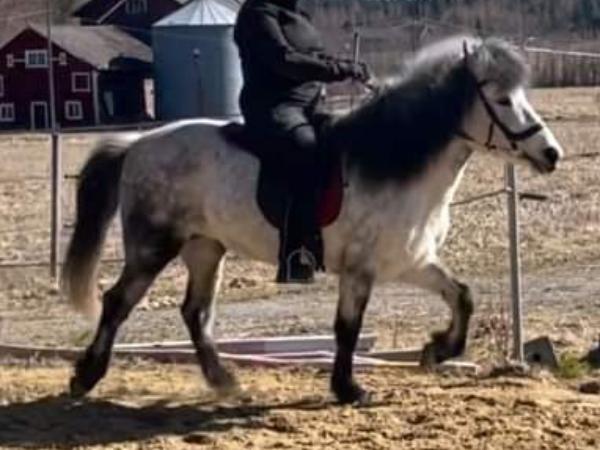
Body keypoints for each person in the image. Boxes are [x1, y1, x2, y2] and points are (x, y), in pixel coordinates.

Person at [234, 0, 371, 283]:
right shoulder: (258, 13)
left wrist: (348, 66)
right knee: (304, 148)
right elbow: (284, 60)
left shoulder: (299, 15)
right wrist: (338, 69)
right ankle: (296, 253)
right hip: (273, 107)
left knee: (350, 135)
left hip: (310, 106)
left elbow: (315, 57)